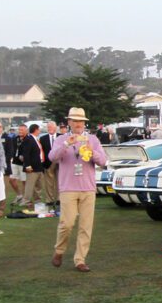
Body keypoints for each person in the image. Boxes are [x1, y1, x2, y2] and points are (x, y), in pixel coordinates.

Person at [49, 107, 108, 272]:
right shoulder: (61, 139)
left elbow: (103, 161)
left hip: (88, 188)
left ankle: (80, 259)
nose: (78, 124)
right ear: (69, 122)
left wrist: (92, 152)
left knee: (85, 226)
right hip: (68, 188)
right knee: (66, 224)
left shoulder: (93, 140)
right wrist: (67, 144)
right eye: (74, 121)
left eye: (81, 121)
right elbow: (52, 157)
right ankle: (59, 251)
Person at [18, 124, 46, 207]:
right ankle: (25, 200)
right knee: (30, 185)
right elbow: (26, 154)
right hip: (32, 167)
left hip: (38, 166)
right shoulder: (29, 139)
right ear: (36, 130)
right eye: (39, 129)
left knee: (39, 185)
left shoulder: (35, 139)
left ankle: (37, 200)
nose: (40, 131)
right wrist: (28, 166)